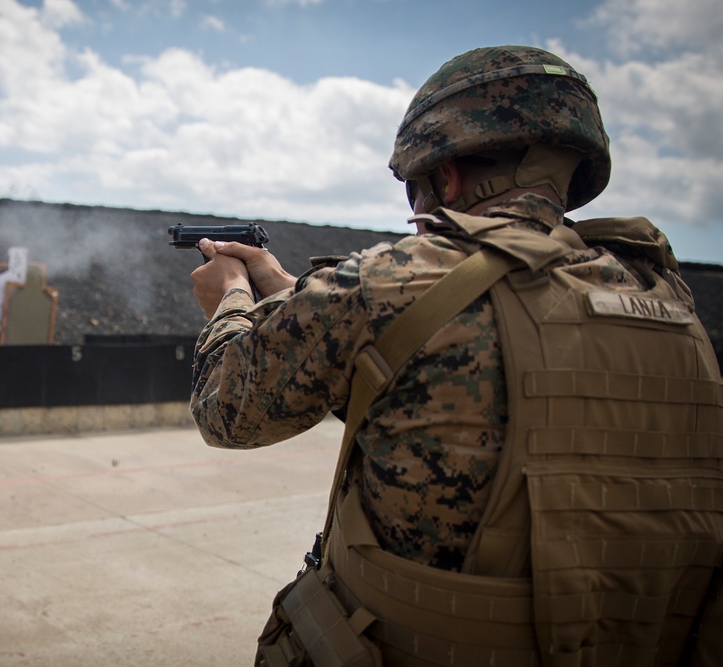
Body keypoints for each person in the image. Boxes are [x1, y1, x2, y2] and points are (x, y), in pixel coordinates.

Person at [187, 45, 722, 666]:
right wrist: (286, 291)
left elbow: (227, 412)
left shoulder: (383, 283)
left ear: (446, 177)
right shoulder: (667, 300)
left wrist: (230, 297)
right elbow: (417, 393)